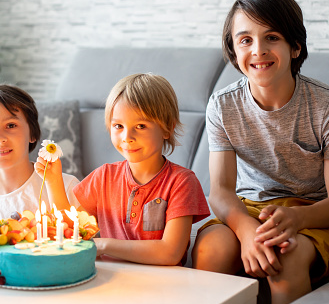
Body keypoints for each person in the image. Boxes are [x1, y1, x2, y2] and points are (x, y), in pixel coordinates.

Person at [191, 0, 329, 304]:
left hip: (312, 215)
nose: (258, 50)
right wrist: (246, 231)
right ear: (233, 49)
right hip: (249, 207)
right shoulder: (224, 105)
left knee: (286, 259)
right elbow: (222, 191)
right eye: (245, 40)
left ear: (295, 46)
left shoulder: (328, 106)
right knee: (209, 250)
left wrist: (297, 219)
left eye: (271, 37)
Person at [36, 73, 210, 265]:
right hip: (109, 281)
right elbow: (72, 230)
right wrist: (54, 182)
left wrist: (104, 245)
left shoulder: (182, 181)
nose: (127, 136)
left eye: (141, 126)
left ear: (167, 128)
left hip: (161, 285)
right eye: (118, 126)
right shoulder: (103, 176)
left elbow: (170, 253)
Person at [0, 84, 80, 220]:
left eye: (11, 125)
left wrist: (55, 186)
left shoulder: (66, 187)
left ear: (32, 133)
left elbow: (84, 238)